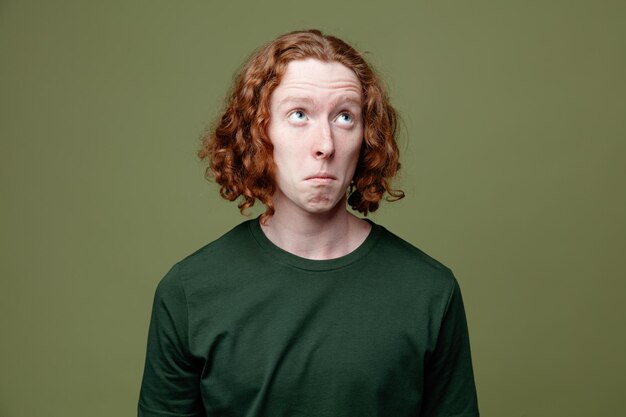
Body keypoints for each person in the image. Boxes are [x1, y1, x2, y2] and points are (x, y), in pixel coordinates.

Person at [138, 29, 479, 417]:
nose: (326, 144)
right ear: (259, 132)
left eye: (345, 116)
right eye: (299, 114)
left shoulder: (429, 291)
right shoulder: (189, 291)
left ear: (366, 138)